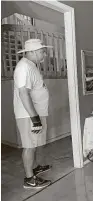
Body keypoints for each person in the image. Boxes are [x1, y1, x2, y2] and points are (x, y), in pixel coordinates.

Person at [14, 39, 53, 189]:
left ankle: (35, 169)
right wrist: (35, 119)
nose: (44, 53)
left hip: (35, 113)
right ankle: (29, 179)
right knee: (29, 145)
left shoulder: (31, 66)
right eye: (42, 51)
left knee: (35, 143)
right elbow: (23, 93)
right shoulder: (23, 67)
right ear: (32, 52)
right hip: (29, 115)